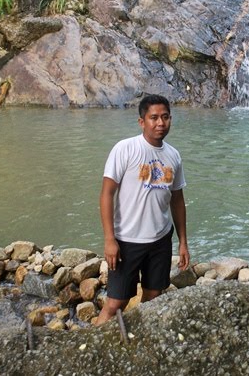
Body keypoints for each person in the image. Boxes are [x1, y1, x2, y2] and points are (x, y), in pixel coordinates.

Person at [96, 94, 190, 325]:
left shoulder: (173, 155)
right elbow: (107, 194)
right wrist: (110, 239)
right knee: (115, 303)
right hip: (127, 240)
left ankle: (140, 343)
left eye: (165, 117)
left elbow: (177, 200)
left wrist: (183, 241)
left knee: (153, 296)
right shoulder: (125, 149)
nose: (160, 123)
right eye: (154, 118)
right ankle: (89, 345)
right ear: (142, 122)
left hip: (160, 240)